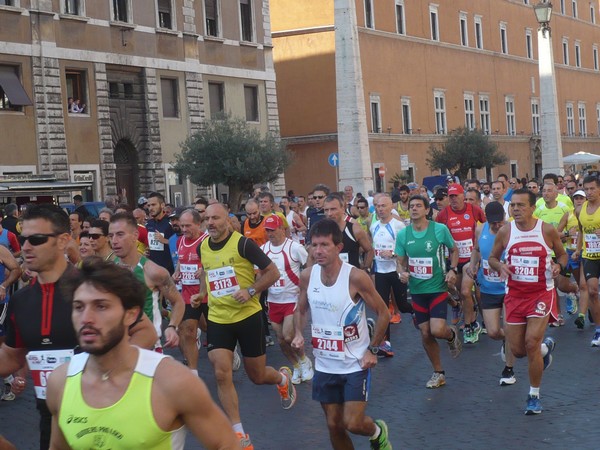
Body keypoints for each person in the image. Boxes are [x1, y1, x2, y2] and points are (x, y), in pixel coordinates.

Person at [0, 204, 157, 450]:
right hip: (52, 419)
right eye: (24, 240)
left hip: (104, 419)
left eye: (37, 239)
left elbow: (146, 332)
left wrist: (104, 374)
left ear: (63, 241)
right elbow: (11, 355)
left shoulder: (93, 287)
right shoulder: (22, 300)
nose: (27, 247)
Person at [45, 257, 240, 450]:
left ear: (131, 314)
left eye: (101, 306)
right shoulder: (60, 381)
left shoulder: (172, 381)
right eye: (79, 307)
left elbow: (226, 443)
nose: (86, 318)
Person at [193, 203, 296, 449]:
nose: (211, 223)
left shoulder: (243, 244)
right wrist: (200, 294)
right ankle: (239, 434)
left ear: (227, 220)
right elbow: (208, 273)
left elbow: (271, 272)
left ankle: (282, 379)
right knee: (221, 373)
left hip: (248, 316)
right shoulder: (203, 247)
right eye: (207, 219)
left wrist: (251, 290)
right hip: (219, 318)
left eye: (216, 218)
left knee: (257, 376)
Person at [291, 218, 392, 450]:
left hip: (355, 364)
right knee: (334, 425)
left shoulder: (355, 277)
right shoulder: (308, 276)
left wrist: (372, 349)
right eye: (314, 245)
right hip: (325, 365)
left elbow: (383, 313)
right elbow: (301, 308)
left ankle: (377, 431)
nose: (318, 251)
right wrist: (298, 332)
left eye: (325, 245)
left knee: (353, 422)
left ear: (338, 247)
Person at [488, 188, 564, 414]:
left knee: (531, 343)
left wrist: (559, 265)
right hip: (515, 296)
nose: (516, 209)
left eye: (521, 205)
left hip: (540, 294)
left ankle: (533, 395)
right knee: (519, 350)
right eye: (513, 205)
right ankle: (545, 349)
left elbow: (562, 254)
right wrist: (500, 265)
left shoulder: (546, 230)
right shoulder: (505, 231)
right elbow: (492, 257)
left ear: (533, 207)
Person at [396, 195, 463, 388]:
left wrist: (452, 269)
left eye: (418, 206)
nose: (414, 209)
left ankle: (450, 334)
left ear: (427, 210)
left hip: (437, 287)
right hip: (417, 290)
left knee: (436, 330)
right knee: (425, 333)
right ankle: (438, 372)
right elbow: (400, 262)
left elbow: (454, 250)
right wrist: (401, 273)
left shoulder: (439, 230)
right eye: (411, 206)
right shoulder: (404, 234)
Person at [109, 212, 184, 350]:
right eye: (111, 235)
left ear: (135, 236)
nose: (114, 241)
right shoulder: (107, 269)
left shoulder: (153, 271)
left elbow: (178, 302)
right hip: (116, 348)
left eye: (120, 235)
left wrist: (172, 327)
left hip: (148, 349)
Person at [467, 201, 517, 386]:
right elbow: (476, 250)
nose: (497, 225)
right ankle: (510, 340)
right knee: (494, 332)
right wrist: (472, 266)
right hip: (488, 287)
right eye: (493, 222)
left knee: (509, 326)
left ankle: (509, 369)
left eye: (500, 221)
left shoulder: (512, 229)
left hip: (509, 287)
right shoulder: (480, 229)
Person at [260, 214, 313, 384]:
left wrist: (305, 289)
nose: (270, 233)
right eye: (267, 230)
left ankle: (305, 361)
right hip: (274, 301)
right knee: (281, 341)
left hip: (292, 299)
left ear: (282, 229)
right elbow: (260, 275)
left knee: (288, 336)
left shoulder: (294, 247)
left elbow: (310, 267)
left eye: (273, 230)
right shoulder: (263, 249)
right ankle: (296, 365)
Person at [436, 183, 486, 343]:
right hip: (454, 260)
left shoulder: (473, 210)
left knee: (465, 291)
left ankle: (471, 325)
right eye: (450, 197)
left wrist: (482, 246)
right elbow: (438, 234)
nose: (453, 199)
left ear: (462, 196)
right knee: (460, 293)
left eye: (455, 196)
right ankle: (469, 311)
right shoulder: (443, 214)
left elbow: (486, 225)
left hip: (471, 259)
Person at [370, 193, 414, 356]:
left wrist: (394, 254)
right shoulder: (373, 225)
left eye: (383, 206)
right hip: (380, 272)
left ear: (391, 207)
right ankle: (385, 343)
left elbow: (408, 248)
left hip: (396, 270)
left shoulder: (398, 226)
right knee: (382, 308)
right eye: (378, 206)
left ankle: (415, 312)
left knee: (402, 305)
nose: (380, 209)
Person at [173, 209, 212, 376]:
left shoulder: (207, 241)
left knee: (209, 328)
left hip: (209, 295)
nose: (184, 229)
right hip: (189, 295)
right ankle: (193, 372)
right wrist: (177, 272)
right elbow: (182, 261)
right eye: (182, 226)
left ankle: (230, 352)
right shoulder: (180, 241)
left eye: (188, 225)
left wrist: (204, 269)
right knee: (187, 330)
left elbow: (216, 262)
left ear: (198, 224)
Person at [573, 176, 600, 345]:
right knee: (592, 291)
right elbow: (582, 231)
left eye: (592, 189)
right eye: (586, 189)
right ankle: (598, 330)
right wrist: (577, 249)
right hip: (590, 255)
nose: (589, 192)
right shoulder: (580, 209)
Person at [146, 192, 176, 274]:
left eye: (153, 205)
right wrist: (148, 251)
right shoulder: (148, 224)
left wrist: (165, 241)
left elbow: (180, 242)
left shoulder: (171, 223)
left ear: (162, 205)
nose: (150, 208)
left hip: (169, 270)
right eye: (149, 206)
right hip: (153, 268)